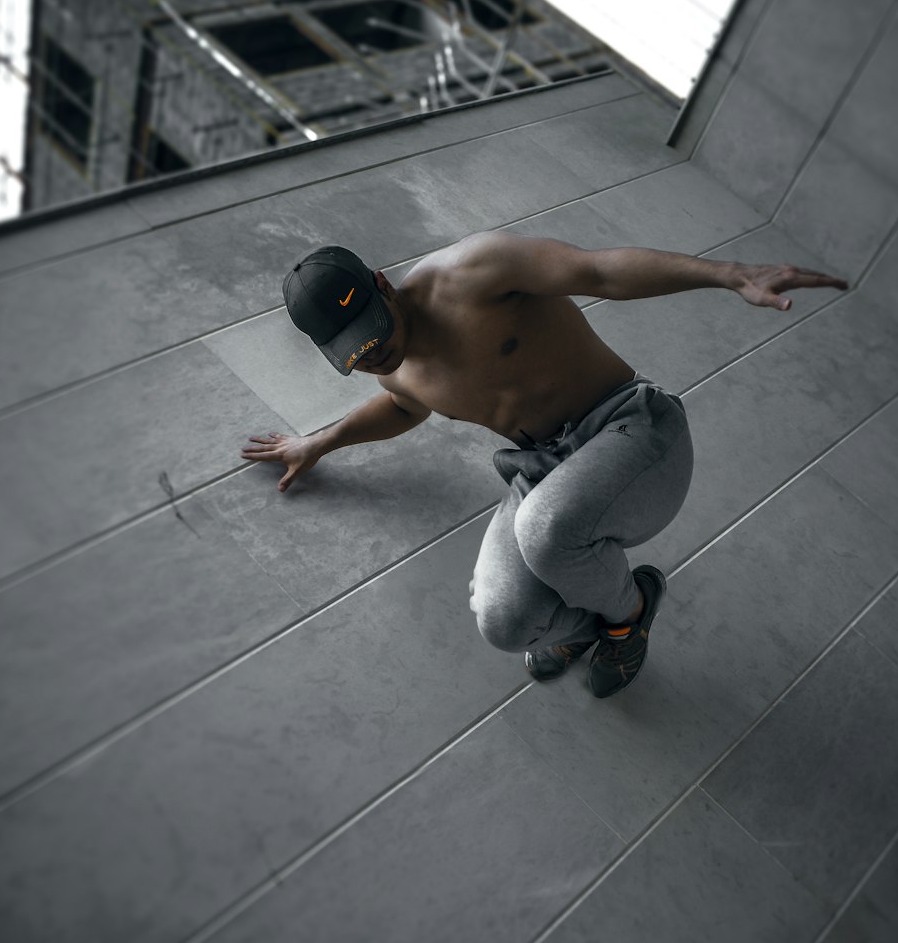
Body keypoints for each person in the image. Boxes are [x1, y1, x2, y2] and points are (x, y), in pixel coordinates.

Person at [242, 234, 846, 698]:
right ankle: (598, 617)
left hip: (635, 434)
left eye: (377, 332)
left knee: (545, 529)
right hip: (542, 471)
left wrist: (730, 274)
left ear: (382, 284)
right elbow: (404, 406)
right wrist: (318, 442)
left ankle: (626, 617)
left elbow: (600, 271)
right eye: (359, 353)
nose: (379, 355)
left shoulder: (473, 272)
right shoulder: (390, 365)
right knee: (504, 623)